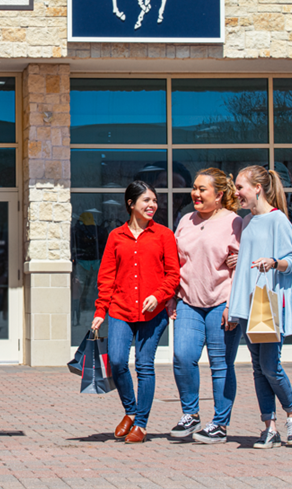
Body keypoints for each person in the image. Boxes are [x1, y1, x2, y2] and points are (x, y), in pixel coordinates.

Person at [91, 180, 180, 444]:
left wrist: (159, 296)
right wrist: (100, 310)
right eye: (146, 200)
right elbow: (106, 276)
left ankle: (141, 424)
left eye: (154, 200)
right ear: (131, 204)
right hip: (120, 308)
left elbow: (173, 275)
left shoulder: (164, 235)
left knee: (144, 365)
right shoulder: (115, 236)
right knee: (117, 362)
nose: (152, 205)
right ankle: (131, 411)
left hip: (153, 314)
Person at [227, 165, 292, 448]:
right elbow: (246, 261)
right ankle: (269, 427)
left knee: (270, 366)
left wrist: (273, 262)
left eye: (240, 187)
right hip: (249, 307)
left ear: (257, 188)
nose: (236, 193)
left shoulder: (279, 221)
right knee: (258, 369)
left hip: (269, 306)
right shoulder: (246, 222)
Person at [167, 168, 243, 445]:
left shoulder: (235, 223)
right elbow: (176, 261)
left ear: (220, 194)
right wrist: (172, 296)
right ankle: (191, 415)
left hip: (221, 302)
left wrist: (232, 305)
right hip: (188, 301)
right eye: (195, 188)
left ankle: (220, 424)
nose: (195, 194)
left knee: (221, 365)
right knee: (182, 358)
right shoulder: (185, 220)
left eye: (202, 189)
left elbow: (241, 268)